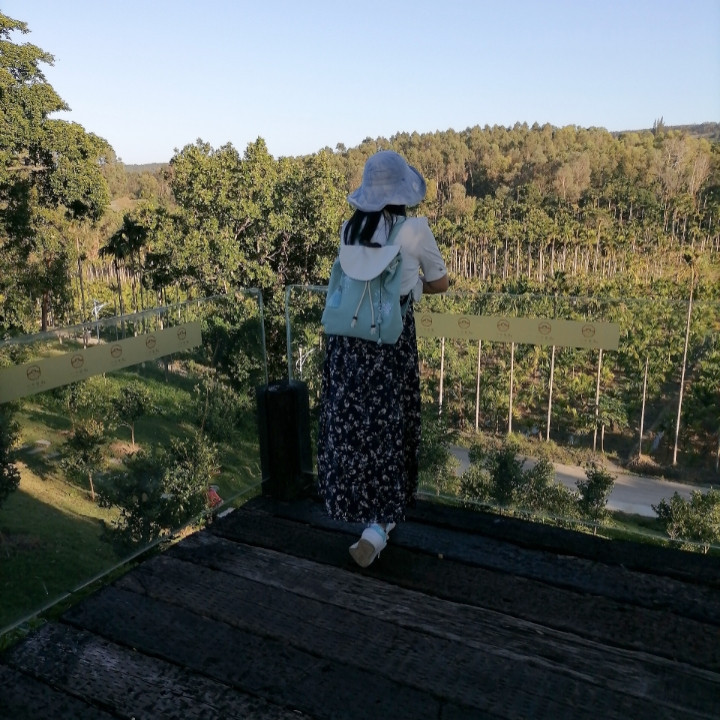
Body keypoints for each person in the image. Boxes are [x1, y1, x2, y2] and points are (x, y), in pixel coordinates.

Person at [317, 150, 449, 567]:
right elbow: (441, 282)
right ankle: (378, 527)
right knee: (391, 427)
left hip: (348, 342)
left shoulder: (351, 228)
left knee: (356, 430)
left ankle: (361, 513)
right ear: (403, 194)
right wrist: (413, 285)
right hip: (388, 341)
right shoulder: (415, 231)